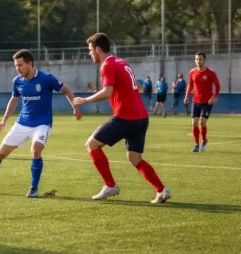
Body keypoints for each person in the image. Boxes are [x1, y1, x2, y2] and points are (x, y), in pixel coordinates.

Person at [0, 49, 82, 198]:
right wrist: (4, 120)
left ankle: (33, 188)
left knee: (35, 150)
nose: (18, 69)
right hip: (22, 123)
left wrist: (75, 108)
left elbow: (66, 89)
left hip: (42, 123)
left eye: (20, 65)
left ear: (29, 64)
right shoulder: (17, 81)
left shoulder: (46, 78)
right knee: (1, 153)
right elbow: (14, 99)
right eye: (16, 66)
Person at [72, 33, 171, 204]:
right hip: (141, 117)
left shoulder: (107, 65)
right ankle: (161, 190)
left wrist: (85, 100)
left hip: (126, 117)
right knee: (134, 158)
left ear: (97, 49)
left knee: (91, 145)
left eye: (90, 50)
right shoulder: (121, 62)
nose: (89, 54)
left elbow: (107, 92)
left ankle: (110, 185)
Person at [184, 52, 221, 152]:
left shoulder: (211, 73)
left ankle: (204, 140)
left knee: (202, 122)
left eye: (200, 59)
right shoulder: (192, 72)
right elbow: (190, 85)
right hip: (195, 101)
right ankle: (196, 144)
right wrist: (186, 96)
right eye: (197, 59)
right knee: (194, 123)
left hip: (207, 102)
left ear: (204, 60)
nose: (198, 61)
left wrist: (214, 96)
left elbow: (217, 85)